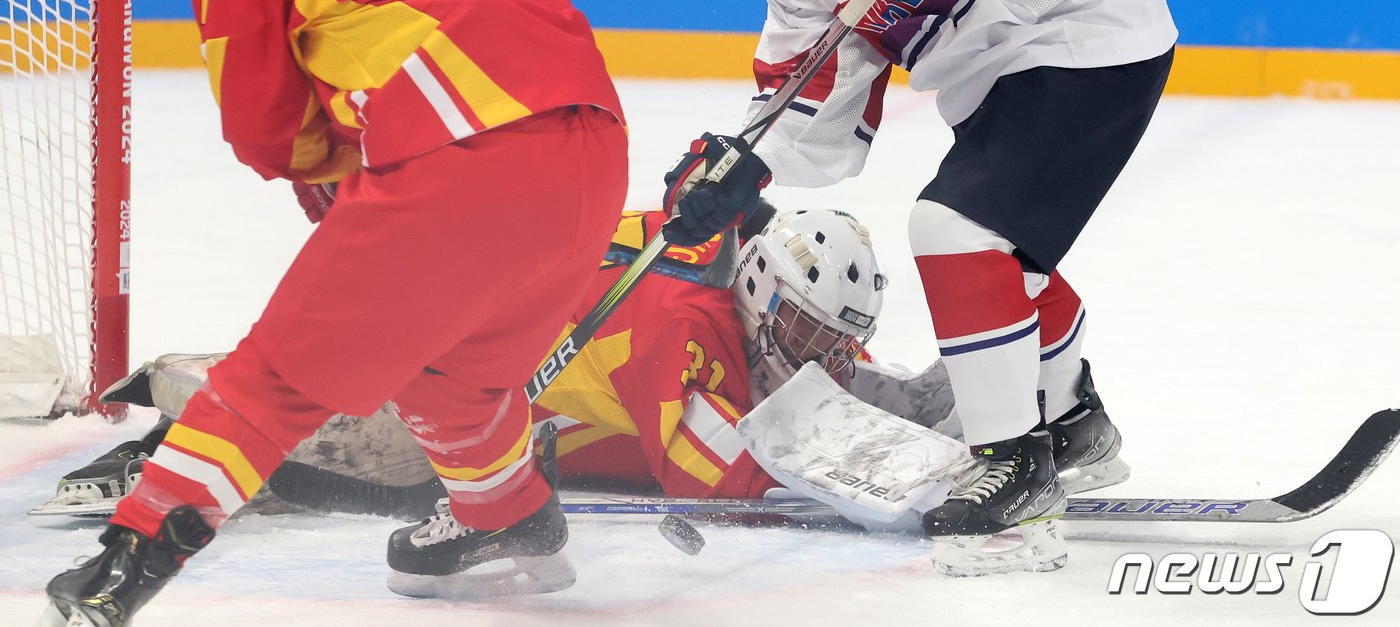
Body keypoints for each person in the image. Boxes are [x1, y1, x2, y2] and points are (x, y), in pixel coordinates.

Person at [41, 0, 628, 625]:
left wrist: (332, 173)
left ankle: (126, 561)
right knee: (454, 375)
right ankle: (509, 518)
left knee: (276, 375)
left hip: (467, 148)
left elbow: (265, 125)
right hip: (593, 146)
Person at [664, 0, 1174, 575]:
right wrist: (743, 165)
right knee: (1002, 259)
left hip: (1082, 17)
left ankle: (1013, 458)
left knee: (954, 227)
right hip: (1000, 78)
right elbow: (808, 89)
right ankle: (1074, 418)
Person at [41, 204, 960, 519]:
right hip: (457, 360)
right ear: (761, 288)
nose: (823, 355)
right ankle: (172, 426)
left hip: (487, 319)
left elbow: (820, 376)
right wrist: (854, 466)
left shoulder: (761, 289)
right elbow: (703, 475)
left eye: (833, 337)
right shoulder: (683, 318)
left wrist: (921, 401)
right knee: (378, 465)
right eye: (808, 333)